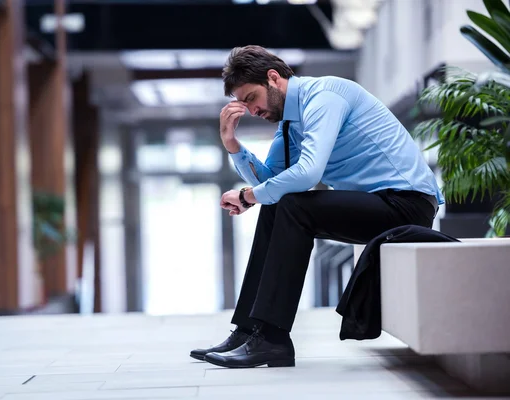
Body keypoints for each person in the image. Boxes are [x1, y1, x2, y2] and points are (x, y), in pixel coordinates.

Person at [189, 45, 443, 369]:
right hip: (376, 205)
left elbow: (307, 173)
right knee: (280, 204)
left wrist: (247, 196)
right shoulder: (289, 123)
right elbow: (272, 181)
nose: (252, 110)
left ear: (273, 78)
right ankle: (249, 330)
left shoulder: (324, 96)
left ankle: (272, 338)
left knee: (293, 205)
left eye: (252, 98)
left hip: (405, 204)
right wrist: (234, 147)